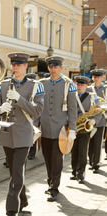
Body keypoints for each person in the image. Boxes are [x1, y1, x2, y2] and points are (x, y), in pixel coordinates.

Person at [0, 52, 44, 216]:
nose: (15, 68)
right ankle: (23, 200)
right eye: (13, 65)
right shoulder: (3, 85)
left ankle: (11, 211)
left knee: (17, 171)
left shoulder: (36, 86)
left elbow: (37, 111)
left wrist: (20, 99)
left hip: (24, 135)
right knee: (15, 173)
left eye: (19, 65)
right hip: (7, 135)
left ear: (25, 66)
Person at [39, 56, 77, 201]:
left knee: (56, 159)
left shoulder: (69, 85)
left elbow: (72, 110)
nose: (53, 70)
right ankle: (50, 182)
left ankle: (54, 187)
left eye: (56, 67)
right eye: (51, 67)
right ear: (48, 68)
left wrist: (72, 129)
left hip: (60, 130)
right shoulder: (42, 84)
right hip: (44, 129)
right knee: (47, 158)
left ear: (61, 68)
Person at [71, 76, 101, 184]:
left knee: (82, 152)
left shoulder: (92, 96)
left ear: (86, 86)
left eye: (82, 85)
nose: (79, 87)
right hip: (73, 128)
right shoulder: (72, 95)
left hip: (85, 129)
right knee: (73, 151)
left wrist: (94, 120)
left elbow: (99, 110)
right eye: (78, 84)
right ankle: (74, 172)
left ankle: (81, 173)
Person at [87, 69, 106, 173]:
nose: (96, 79)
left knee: (97, 143)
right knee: (90, 142)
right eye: (94, 77)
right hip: (89, 120)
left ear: (102, 77)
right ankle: (90, 161)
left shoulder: (105, 89)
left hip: (101, 120)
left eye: (98, 77)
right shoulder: (89, 89)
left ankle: (96, 164)